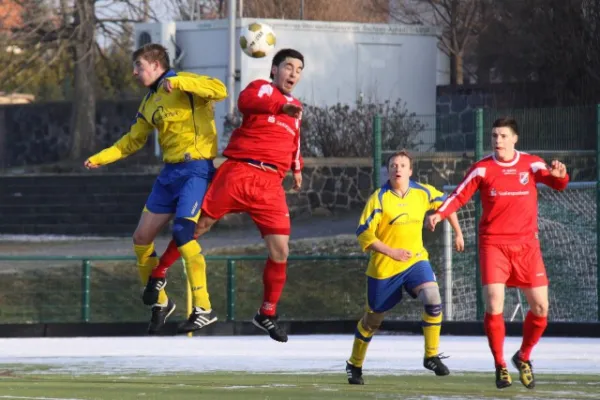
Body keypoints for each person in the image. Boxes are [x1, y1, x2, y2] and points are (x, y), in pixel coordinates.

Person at [143, 48, 305, 343]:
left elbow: (294, 141)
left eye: (298, 69)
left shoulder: (297, 108)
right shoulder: (262, 89)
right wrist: (279, 108)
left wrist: (296, 168)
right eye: (288, 67)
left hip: (270, 184)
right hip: (239, 172)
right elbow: (246, 102)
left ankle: (267, 313)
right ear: (274, 70)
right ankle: (160, 273)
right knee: (197, 226)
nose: (293, 73)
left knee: (281, 251)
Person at [84, 43, 227, 335]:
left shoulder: (185, 84)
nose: (135, 72)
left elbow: (220, 89)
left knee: (183, 232)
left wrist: (180, 81)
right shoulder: (149, 102)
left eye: (139, 66)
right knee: (140, 238)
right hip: (169, 174)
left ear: (156, 65)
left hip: (196, 169)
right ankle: (161, 302)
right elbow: (132, 141)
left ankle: (204, 307)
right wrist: (100, 158)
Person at [426, 117, 569, 389]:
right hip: (494, 245)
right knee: (494, 304)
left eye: (503, 136)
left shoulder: (531, 163)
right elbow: (458, 195)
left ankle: (523, 357)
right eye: (494, 136)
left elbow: (557, 183)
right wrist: (439, 214)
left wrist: (561, 175)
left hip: (527, 246)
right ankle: (500, 365)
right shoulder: (482, 169)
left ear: (515, 139)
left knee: (541, 308)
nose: (498, 141)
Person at [345, 150, 465, 385]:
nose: (397, 169)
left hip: (415, 260)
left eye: (402, 165)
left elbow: (448, 203)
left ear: (410, 171)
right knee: (372, 321)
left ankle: (431, 355)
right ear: (388, 171)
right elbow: (363, 233)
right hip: (384, 268)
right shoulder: (379, 198)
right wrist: (392, 252)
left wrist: (456, 232)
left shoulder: (422, 192)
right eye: (393, 165)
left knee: (432, 297)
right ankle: (354, 363)